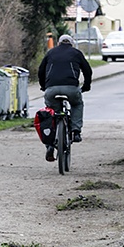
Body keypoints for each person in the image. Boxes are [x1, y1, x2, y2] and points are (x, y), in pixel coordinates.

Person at [37, 34, 92, 162]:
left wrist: (44, 86)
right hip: (71, 88)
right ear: (71, 44)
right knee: (77, 104)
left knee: (51, 112)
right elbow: (87, 70)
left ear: (58, 43)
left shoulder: (50, 53)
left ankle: (50, 144)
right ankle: (76, 131)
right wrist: (86, 86)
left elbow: (41, 70)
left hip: (51, 89)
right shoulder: (76, 53)